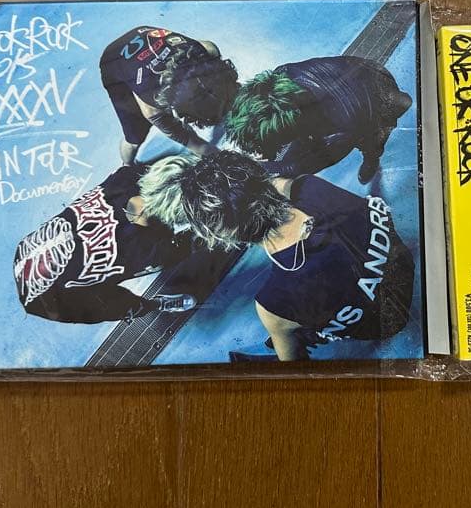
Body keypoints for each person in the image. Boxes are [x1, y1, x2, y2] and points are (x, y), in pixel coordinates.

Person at [141, 150, 416, 360]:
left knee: (284, 334)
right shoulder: (311, 187)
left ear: (220, 235)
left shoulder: (272, 303)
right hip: (402, 267)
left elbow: (294, 367)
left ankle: (296, 334)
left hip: (386, 323)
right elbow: (280, 184)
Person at [13, 158, 229, 324]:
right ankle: (155, 305)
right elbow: (194, 241)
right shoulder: (150, 252)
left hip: (31, 249)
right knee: (120, 306)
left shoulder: (125, 177)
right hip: (55, 300)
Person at [223, 56, 413, 184]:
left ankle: (371, 158)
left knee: (372, 143)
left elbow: (300, 167)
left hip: (376, 106)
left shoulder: (338, 134)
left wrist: (266, 166)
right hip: (365, 69)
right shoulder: (281, 75)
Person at [99, 26, 240, 164]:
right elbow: (194, 143)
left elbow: (210, 51)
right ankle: (126, 166)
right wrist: (215, 155)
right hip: (113, 60)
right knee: (135, 136)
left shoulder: (205, 51)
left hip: (143, 40)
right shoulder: (152, 106)